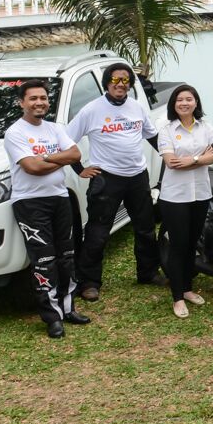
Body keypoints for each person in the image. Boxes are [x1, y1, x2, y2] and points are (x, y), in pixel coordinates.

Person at [3, 80, 93, 338]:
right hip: (30, 203)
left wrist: (44, 157)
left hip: (60, 198)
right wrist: (56, 159)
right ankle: (52, 317)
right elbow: (31, 168)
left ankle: (67, 308)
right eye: (33, 98)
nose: (39, 102)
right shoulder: (15, 133)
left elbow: (74, 154)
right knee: (44, 261)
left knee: (66, 256)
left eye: (43, 97)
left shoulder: (55, 129)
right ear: (22, 103)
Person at [66, 60, 160, 301]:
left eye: (125, 80)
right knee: (98, 232)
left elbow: (153, 137)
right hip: (107, 179)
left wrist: (171, 158)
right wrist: (80, 169)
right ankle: (89, 282)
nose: (120, 84)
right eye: (115, 80)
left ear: (130, 84)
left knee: (146, 229)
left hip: (138, 176)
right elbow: (66, 142)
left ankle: (148, 273)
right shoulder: (91, 110)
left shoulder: (137, 107)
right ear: (107, 83)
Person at [156, 84, 213, 318]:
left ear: (196, 103)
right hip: (175, 196)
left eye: (189, 99)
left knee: (192, 244)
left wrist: (192, 159)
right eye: (179, 100)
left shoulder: (206, 127)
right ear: (174, 105)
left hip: (200, 194)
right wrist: (202, 158)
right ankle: (177, 298)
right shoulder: (166, 130)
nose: (184, 103)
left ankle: (187, 289)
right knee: (178, 244)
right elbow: (171, 162)